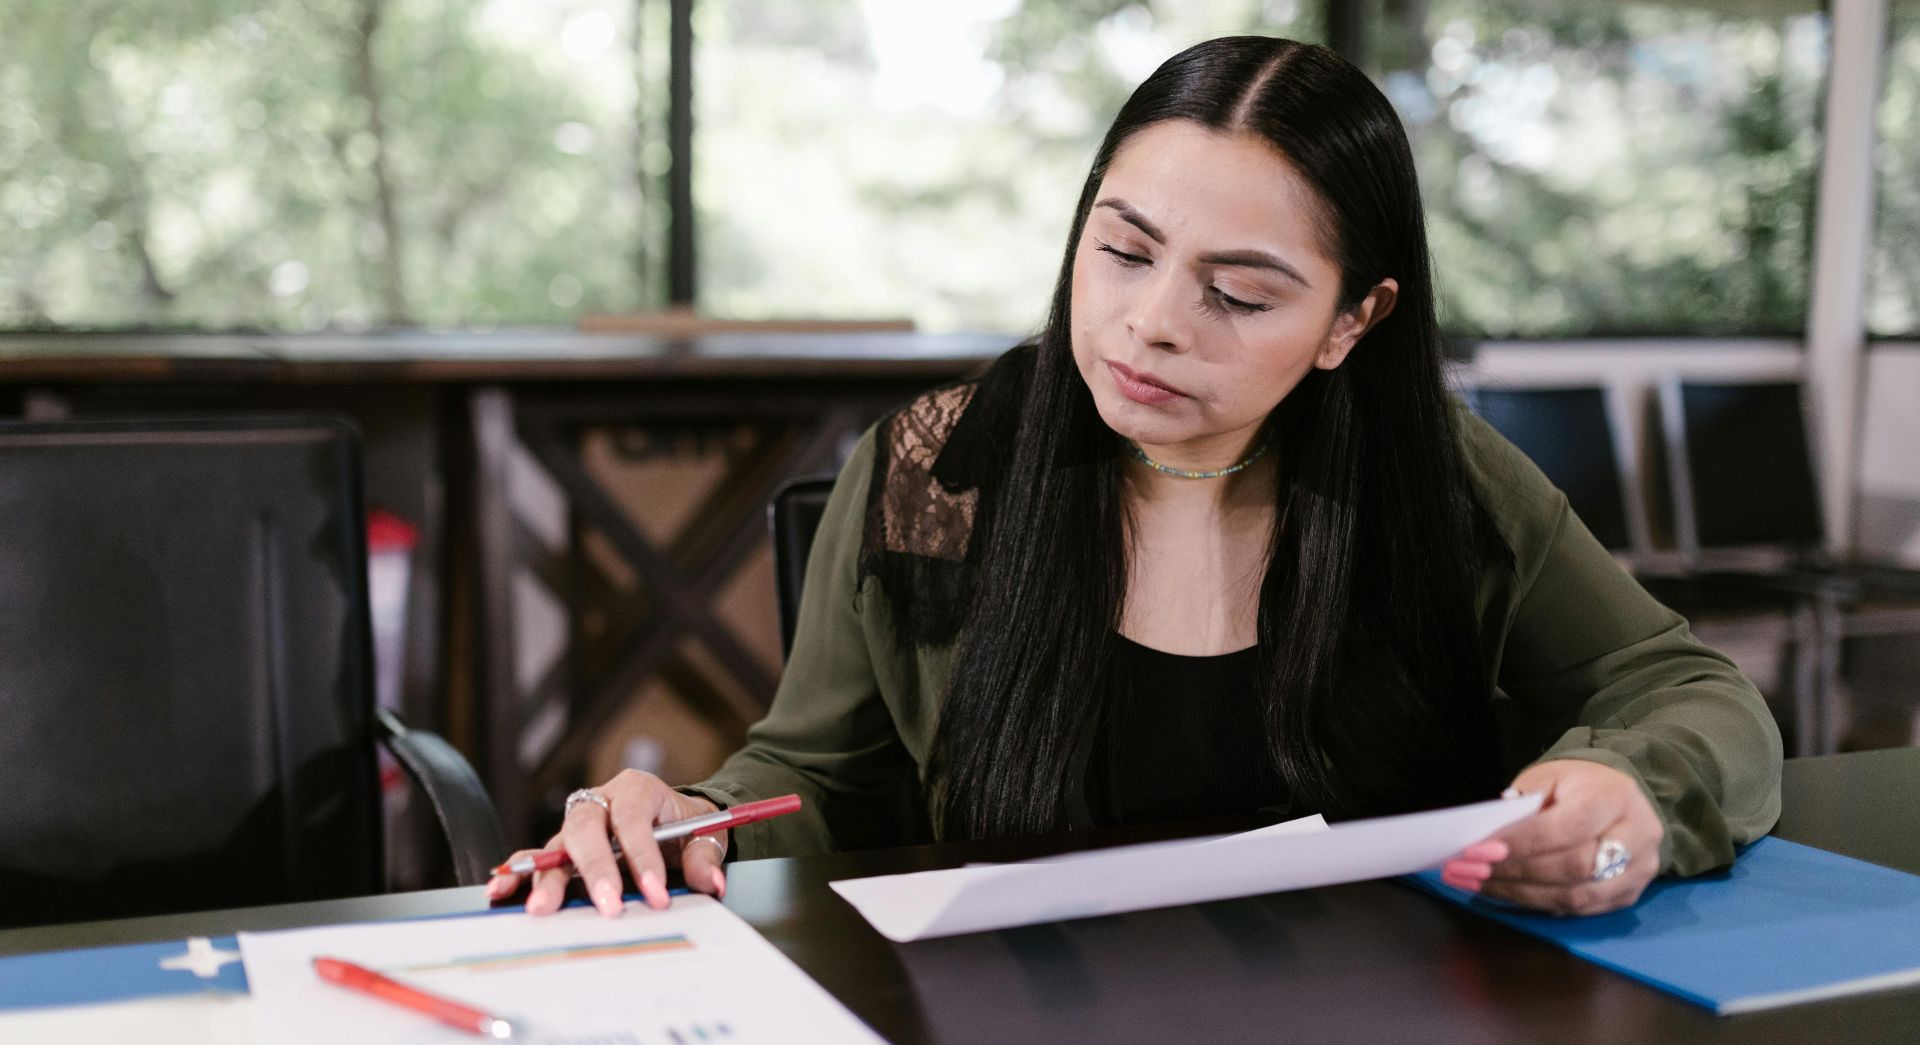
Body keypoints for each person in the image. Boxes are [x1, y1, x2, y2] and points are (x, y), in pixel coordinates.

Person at [489, 36, 1781, 920]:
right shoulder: (937, 473)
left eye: (1236, 292)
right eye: (1123, 251)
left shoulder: (1433, 482)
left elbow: (1693, 696)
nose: (1151, 322)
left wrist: (1636, 804)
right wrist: (692, 817)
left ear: (1352, 322)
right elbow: (816, 779)